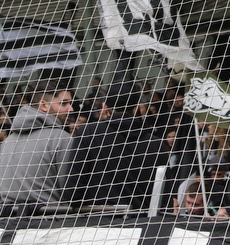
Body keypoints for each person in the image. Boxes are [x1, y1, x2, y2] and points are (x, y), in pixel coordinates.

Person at [59, 82, 160, 211]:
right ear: (136, 109)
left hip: (94, 221)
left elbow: (72, 191)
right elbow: (161, 196)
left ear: (105, 108)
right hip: (138, 224)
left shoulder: (89, 133)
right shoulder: (156, 144)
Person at [0, 80, 74, 213]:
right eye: (63, 103)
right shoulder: (61, 139)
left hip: (9, 224)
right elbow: (69, 191)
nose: (71, 109)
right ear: (44, 105)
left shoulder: (6, 143)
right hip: (50, 224)